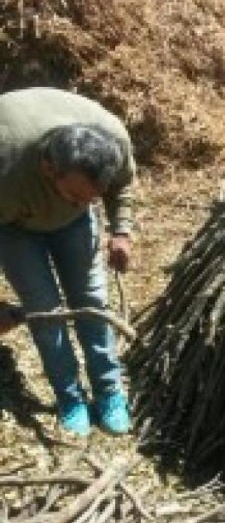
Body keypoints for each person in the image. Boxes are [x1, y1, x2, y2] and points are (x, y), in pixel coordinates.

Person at [0, 86, 136, 436]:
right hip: (15, 227)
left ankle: (109, 394)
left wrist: (120, 231)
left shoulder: (112, 140)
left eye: (92, 197)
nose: (82, 203)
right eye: (75, 195)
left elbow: (123, 184)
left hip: (73, 230)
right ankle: (69, 398)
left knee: (92, 303)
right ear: (48, 168)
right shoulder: (6, 163)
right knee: (45, 312)